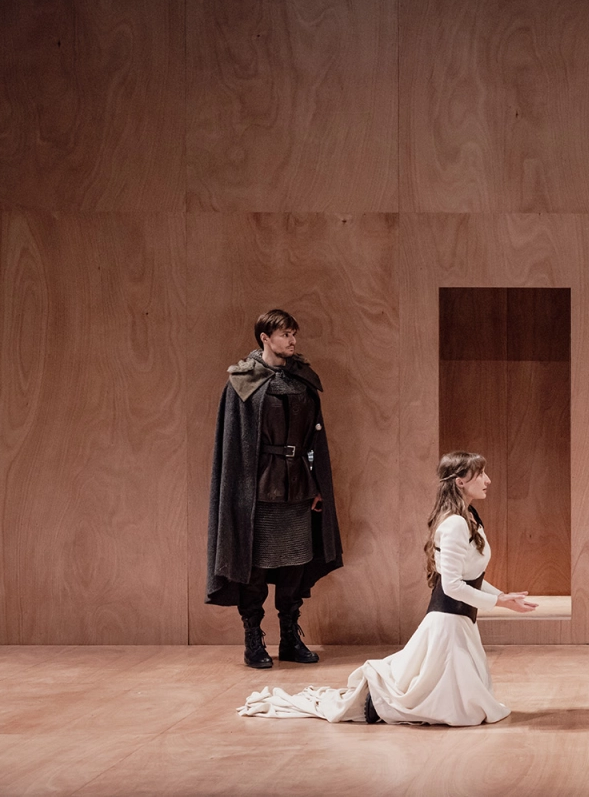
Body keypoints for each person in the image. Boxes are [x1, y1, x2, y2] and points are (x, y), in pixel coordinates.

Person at [239, 451, 536, 725]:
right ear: (460, 481)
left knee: (463, 703)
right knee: (458, 708)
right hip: (448, 625)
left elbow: (470, 576)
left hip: (462, 623)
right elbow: (452, 586)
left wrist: (502, 596)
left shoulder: (470, 518)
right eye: (480, 474)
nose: (488, 480)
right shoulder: (455, 525)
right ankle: (377, 702)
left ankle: (379, 700)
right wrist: (499, 603)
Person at [208, 309, 342, 668]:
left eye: (294, 333)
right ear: (265, 338)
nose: (292, 340)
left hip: (297, 485)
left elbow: (313, 441)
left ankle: (289, 640)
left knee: (295, 564)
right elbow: (234, 446)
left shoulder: (302, 380)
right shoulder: (243, 382)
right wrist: (239, 496)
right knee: (253, 568)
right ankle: (254, 640)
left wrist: (316, 485)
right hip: (257, 490)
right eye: (285, 334)